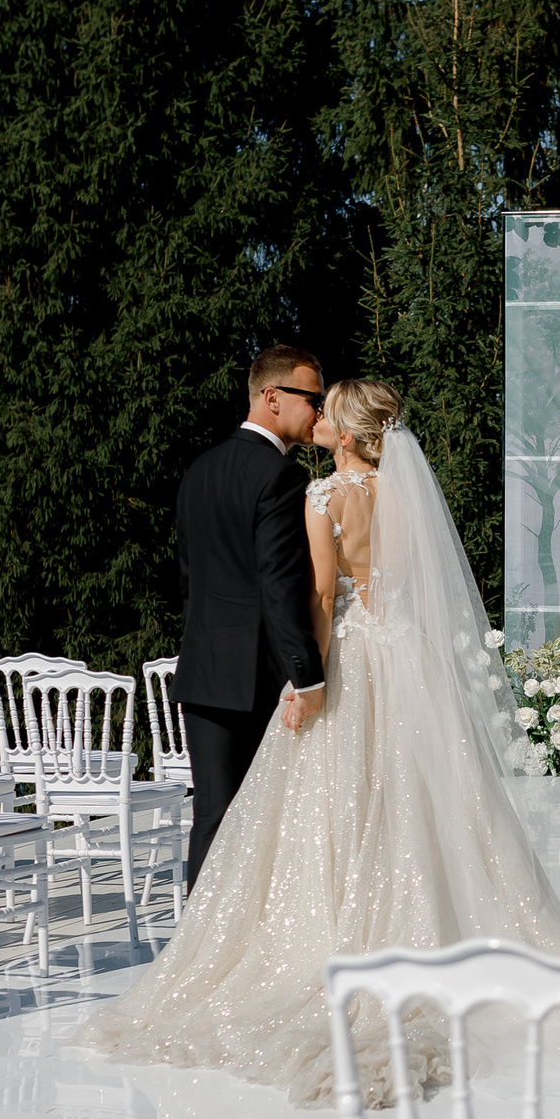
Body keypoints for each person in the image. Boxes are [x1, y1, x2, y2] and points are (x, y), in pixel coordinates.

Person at [86, 379, 560, 1106]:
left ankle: (332, 931)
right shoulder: (406, 496)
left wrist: (304, 682)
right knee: (425, 799)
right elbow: (413, 585)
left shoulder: (321, 498)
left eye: (329, 411)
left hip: (351, 660)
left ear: (345, 433)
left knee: (338, 802)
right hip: (408, 660)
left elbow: (315, 599)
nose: (319, 419)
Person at [171, 344, 329, 887]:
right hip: (256, 681)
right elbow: (279, 587)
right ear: (272, 397)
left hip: (202, 672)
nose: (319, 411)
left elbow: (192, 584)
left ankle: (197, 952)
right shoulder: (280, 477)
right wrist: (308, 676)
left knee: (212, 819)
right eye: (313, 397)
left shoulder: (199, 469)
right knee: (265, 825)